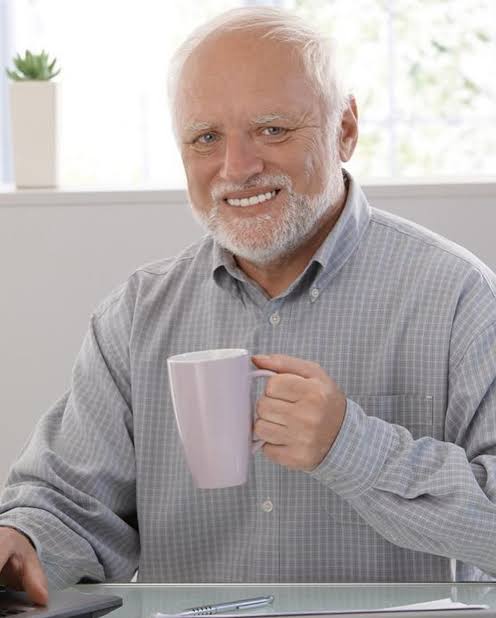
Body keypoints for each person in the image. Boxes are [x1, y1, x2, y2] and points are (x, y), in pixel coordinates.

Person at [2, 6, 496, 605]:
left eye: (272, 129)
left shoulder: (459, 299)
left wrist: (351, 446)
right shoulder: (135, 317)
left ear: (345, 129)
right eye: (207, 138)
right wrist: (21, 540)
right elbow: (69, 506)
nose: (237, 169)